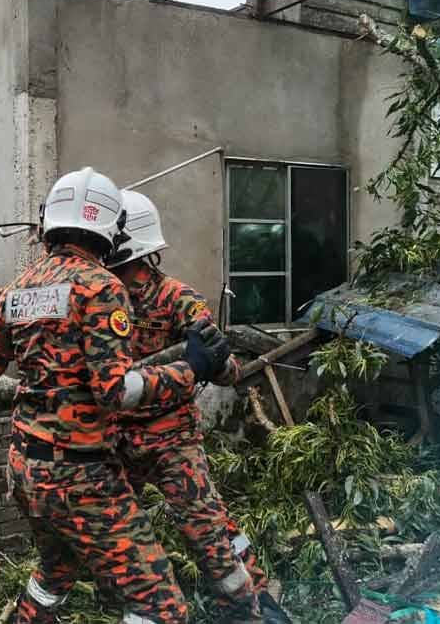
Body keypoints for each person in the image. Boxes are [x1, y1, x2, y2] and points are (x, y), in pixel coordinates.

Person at [0, 168, 231, 624]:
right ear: (110, 232)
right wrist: (191, 368)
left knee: (54, 574)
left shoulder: (18, 291)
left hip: (24, 473)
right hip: (81, 478)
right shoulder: (102, 287)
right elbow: (115, 391)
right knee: (160, 606)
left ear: (48, 226)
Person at [107, 190, 290, 624]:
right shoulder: (97, 297)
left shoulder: (177, 298)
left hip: (173, 440)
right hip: (116, 438)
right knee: (118, 532)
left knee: (208, 528)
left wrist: (219, 357)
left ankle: (253, 601)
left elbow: (225, 371)